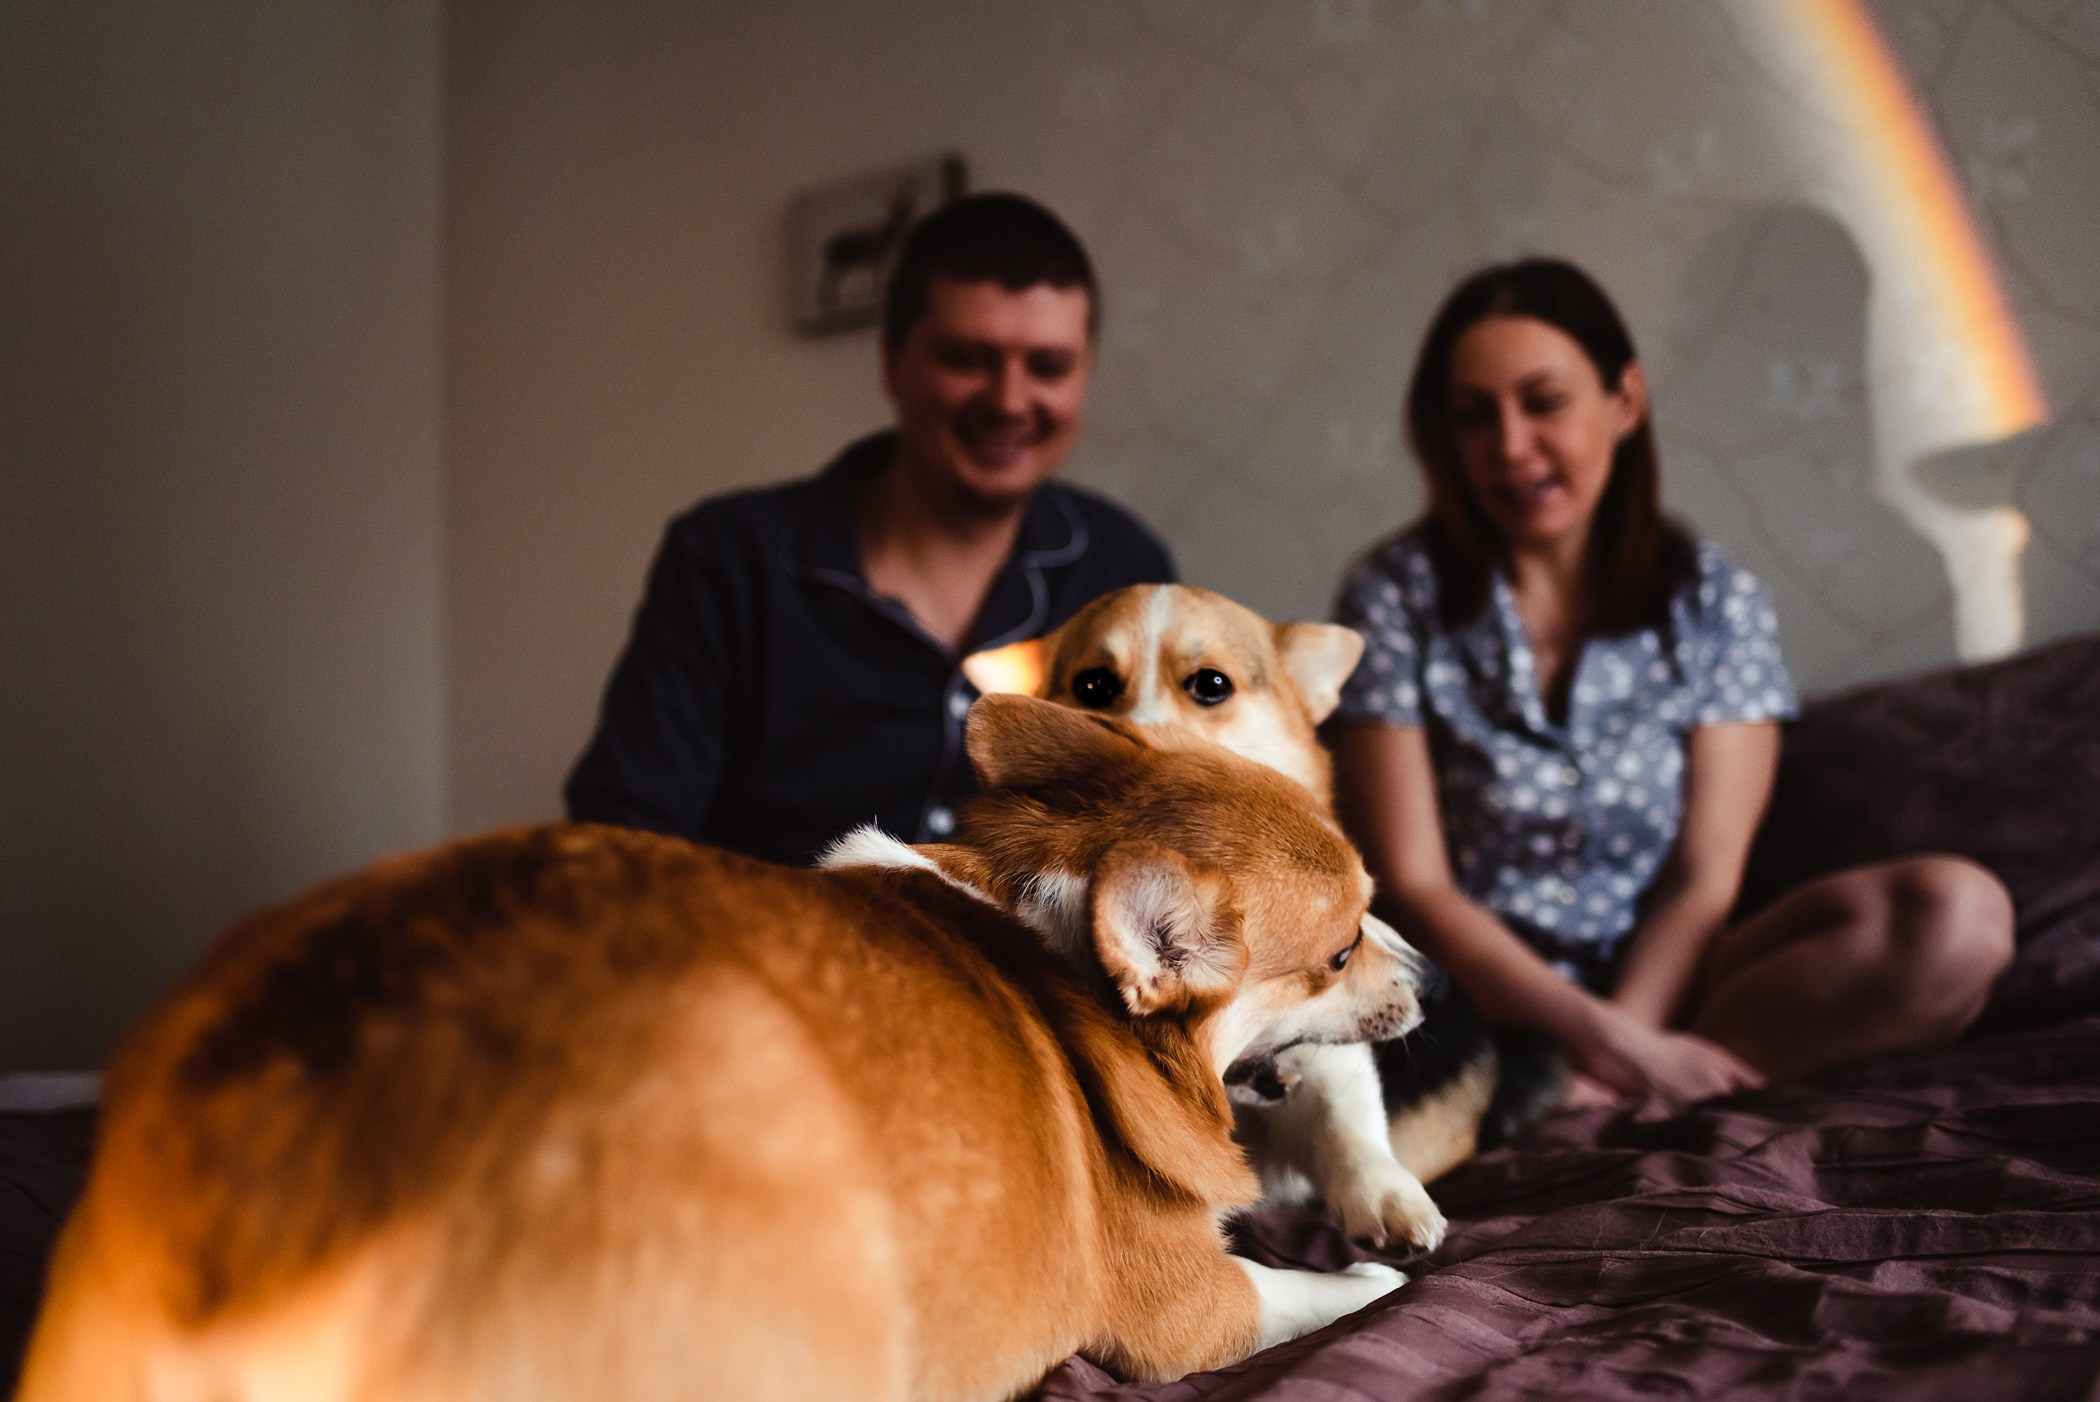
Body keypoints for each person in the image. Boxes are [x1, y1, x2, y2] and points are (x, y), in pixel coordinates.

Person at [1328, 258, 2014, 1103]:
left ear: (1624, 402)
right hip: (1469, 1001)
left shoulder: (1714, 600)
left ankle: (1588, 1104)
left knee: (1960, 917)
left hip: (1679, 986)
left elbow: (1704, 877)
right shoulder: (1392, 597)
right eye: (1474, 416)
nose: (1510, 446)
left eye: (1544, 403)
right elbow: (1418, 887)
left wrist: (1638, 1043)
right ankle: (1571, 1093)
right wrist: (1610, 1041)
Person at [566, 193, 1174, 865]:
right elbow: (620, 843)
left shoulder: (1125, 568)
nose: (1009, 401)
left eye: (1048, 367)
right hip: (763, 957)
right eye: (967, 359)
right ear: (892, 362)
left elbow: (1159, 831)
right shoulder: (726, 558)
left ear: (1084, 375)